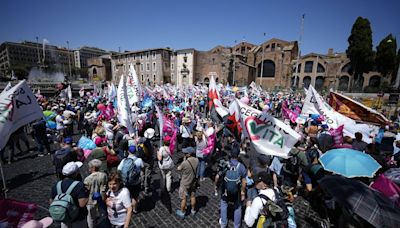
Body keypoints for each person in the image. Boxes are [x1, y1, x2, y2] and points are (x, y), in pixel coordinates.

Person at [50, 161, 89, 228]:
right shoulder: (79, 185)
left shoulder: (56, 185)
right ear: (76, 173)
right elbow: (82, 204)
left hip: (64, 218)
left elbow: (51, 202)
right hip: (78, 218)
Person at [219, 147, 247, 228]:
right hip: (237, 191)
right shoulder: (241, 167)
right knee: (237, 207)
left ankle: (223, 223)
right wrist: (242, 192)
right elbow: (244, 181)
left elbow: (220, 175)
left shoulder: (225, 163)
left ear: (230, 154)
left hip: (225, 190)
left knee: (224, 204)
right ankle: (236, 225)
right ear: (238, 155)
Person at [117, 145, 144, 214]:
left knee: (128, 195)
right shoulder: (139, 160)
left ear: (128, 151)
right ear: (135, 151)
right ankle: (134, 209)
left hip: (126, 181)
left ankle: (128, 208)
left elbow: (118, 169)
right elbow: (142, 167)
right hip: (136, 182)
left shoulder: (124, 160)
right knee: (135, 197)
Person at [176, 146, 199, 219]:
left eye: (185, 153)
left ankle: (182, 212)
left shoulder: (185, 163)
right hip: (193, 182)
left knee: (183, 198)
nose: (184, 154)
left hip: (185, 183)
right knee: (192, 196)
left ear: (189, 154)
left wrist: (184, 160)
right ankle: (193, 210)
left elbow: (178, 169)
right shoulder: (197, 160)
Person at [84, 159, 108, 228]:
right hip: (101, 199)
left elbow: (86, 191)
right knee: (103, 215)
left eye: (89, 167)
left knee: (91, 218)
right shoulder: (103, 175)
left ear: (93, 168)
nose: (88, 168)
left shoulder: (87, 179)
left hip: (90, 201)